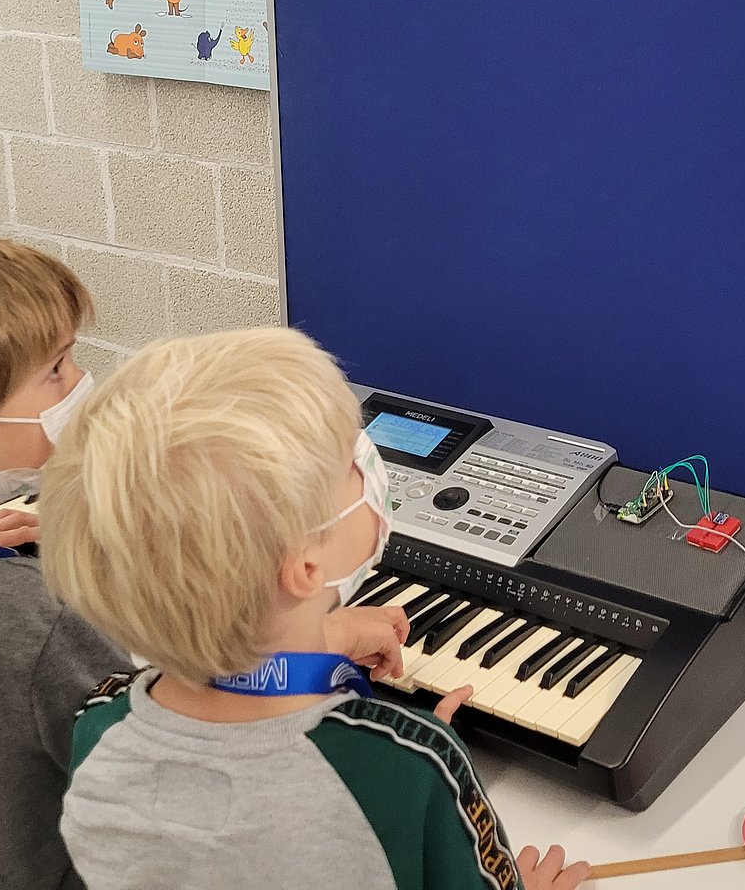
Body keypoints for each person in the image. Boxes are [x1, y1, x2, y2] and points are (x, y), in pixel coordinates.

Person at [0, 220, 409, 890]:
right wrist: (324, 642)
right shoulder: (33, 617)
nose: (78, 383)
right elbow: (187, 773)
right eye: (53, 370)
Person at [41, 327, 591, 890]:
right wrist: (415, 755)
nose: (369, 465)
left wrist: (321, 643)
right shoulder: (409, 765)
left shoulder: (99, 723)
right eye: (350, 460)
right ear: (305, 569)